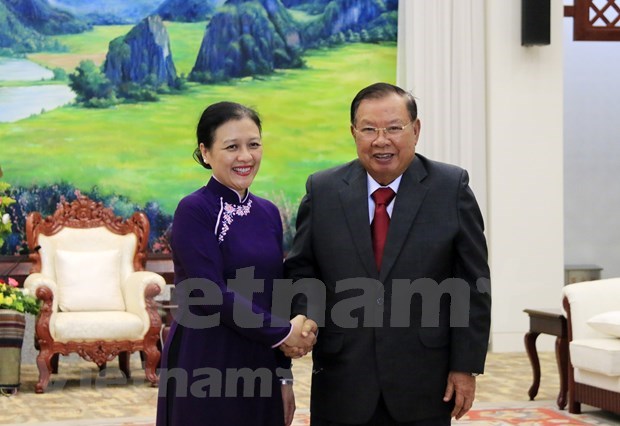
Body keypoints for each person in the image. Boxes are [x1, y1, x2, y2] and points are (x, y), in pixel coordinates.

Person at [283, 83, 492, 425]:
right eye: (369, 129)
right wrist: (306, 317)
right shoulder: (323, 190)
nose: (381, 140)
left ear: (416, 130)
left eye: (394, 128)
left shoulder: (449, 188)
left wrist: (465, 365)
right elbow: (303, 270)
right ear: (354, 133)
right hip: (343, 375)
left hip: (424, 378)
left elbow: (472, 282)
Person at [156, 101, 316, 426]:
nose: (246, 157)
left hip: (260, 357)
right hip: (206, 359)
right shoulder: (194, 210)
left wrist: (284, 377)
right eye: (232, 147)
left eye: (253, 145)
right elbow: (208, 293)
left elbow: (276, 296)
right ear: (205, 152)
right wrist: (285, 332)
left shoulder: (268, 212)